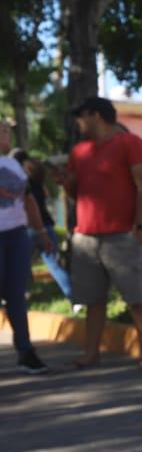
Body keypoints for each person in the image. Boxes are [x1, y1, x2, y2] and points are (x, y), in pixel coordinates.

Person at [54, 97, 142, 368]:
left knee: (135, 296)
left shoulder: (130, 144)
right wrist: (66, 182)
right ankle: (92, 353)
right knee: (93, 299)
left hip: (122, 234)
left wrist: (139, 225)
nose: (78, 122)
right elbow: (77, 193)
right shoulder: (79, 151)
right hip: (85, 237)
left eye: (81, 116)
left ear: (96, 116)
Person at [1, 123, 54, 373]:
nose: (7, 135)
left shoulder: (13, 166)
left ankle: (25, 351)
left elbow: (28, 200)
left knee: (16, 294)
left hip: (16, 235)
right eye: (2, 131)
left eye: (8, 132)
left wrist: (41, 232)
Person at [13, 150, 72, 298]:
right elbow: (46, 196)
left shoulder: (17, 182)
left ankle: (22, 295)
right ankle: (74, 297)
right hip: (46, 226)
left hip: (28, 229)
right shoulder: (37, 179)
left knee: (19, 265)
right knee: (55, 265)